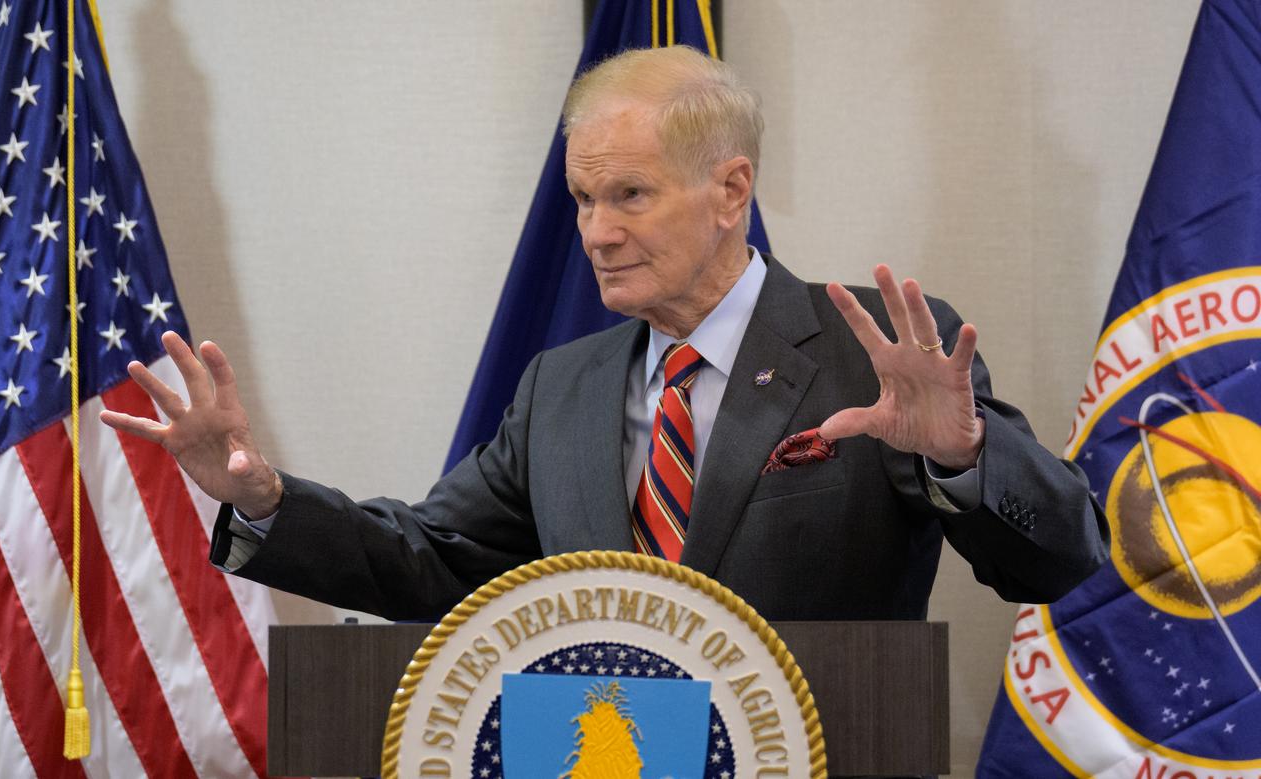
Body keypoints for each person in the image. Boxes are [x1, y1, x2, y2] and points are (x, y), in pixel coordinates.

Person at [100, 46, 1108, 623]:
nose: (595, 231)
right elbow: (436, 559)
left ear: (729, 191)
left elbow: (1057, 563)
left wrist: (966, 457)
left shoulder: (873, 349)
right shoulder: (562, 385)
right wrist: (264, 499)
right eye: (583, 197)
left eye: (627, 193)